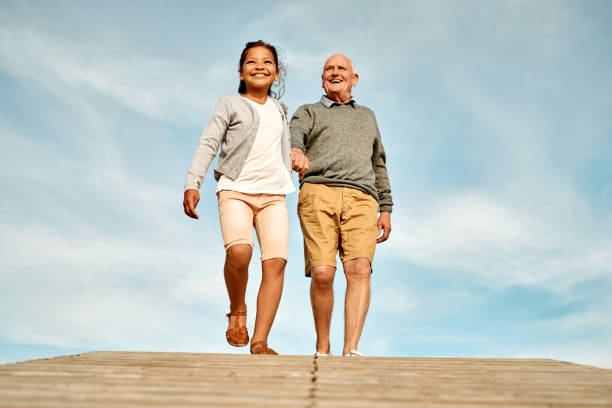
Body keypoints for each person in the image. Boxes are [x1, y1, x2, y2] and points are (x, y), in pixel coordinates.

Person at [183, 40, 294, 355]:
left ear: (276, 74)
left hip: (274, 195)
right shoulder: (229, 103)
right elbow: (209, 143)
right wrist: (194, 182)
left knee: (275, 263)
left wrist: (296, 157)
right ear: (241, 71)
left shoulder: (281, 109)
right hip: (235, 190)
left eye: (267, 62)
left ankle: (260, 341)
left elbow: (284, 147)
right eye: (252, 62)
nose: (260, 66)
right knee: (241, 252)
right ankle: (237, 309)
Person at [290, 54, 393, 357]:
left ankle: (352, 349)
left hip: (362, 197)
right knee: (323, 273)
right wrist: (295, 149)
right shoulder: (308, 111)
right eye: (328, 69)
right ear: (322, 78)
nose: (335, 73)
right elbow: (294, 133)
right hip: (318, 191)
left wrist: (385, 206)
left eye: (341, 69)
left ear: (354, 78)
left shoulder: (367, 116)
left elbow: (379, 163)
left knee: (359, 268)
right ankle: (323, 347)